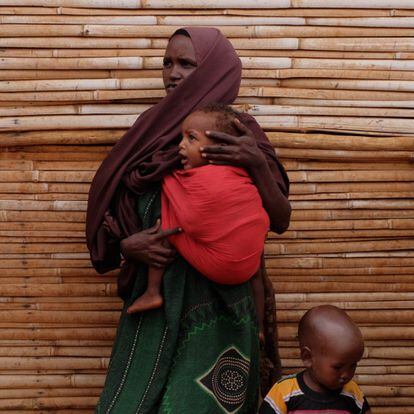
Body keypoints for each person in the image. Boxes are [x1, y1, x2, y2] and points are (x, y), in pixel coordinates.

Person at [86, 27, 290, 413]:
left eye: (186, 64)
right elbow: (113, 210)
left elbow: (279, 220)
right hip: (154, 300)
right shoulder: (148, 130)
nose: (173, 74)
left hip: (221, 306)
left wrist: (257, 164)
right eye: (167, 63)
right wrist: (128, 246)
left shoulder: (237, 134)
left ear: (215, 70)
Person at [126, 103, 269, 341]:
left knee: (168, 223)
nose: (180, 146)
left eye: (191, 139)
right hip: (247, 268)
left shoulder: (196, 180)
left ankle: (152, 291)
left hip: (221, 265)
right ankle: (260, 328)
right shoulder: (242, 171)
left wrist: (167, 176)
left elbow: (193, 221)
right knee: (256, 271)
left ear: (220, 147)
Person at [260, 305, 372, 414]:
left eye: (353, 365)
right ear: (307, 357)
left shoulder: (352, 394)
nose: (346, 374)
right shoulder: (284, 393)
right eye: (338, 367)